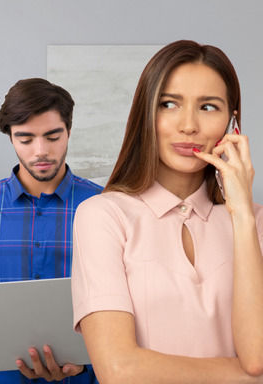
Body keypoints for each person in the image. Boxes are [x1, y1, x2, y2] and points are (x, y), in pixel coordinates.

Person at [71, 40, 263, 383]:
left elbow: (257, 357)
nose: (188, 125)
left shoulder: (255, 223)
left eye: (208, 107)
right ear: (147, 113)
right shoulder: (102, 216)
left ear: (232, 123)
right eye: (169, 104)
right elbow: (119, 370)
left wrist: (243, 215)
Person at [0, 78, 102, 384]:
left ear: (68, 131)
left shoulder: (105, 205)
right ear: (10, 138)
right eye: (26, 139)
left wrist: (84, 364)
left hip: (83, 377)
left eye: (52, 136)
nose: (41, 151)